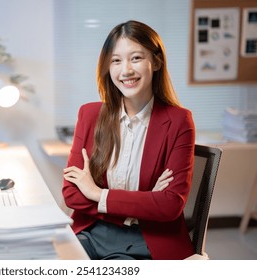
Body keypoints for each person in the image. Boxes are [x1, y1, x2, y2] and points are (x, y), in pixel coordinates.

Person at [62, 20, 195, 260]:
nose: (126, 71)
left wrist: (97, 193)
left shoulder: (178, 121)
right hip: (91, 233)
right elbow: (71, 194)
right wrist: (143, 202)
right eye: (116, 60)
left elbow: (169, 205)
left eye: (136, 58)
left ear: (156, 62)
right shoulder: (89, 115)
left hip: (146, 239)